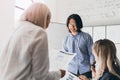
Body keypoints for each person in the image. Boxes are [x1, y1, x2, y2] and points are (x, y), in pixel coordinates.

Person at [0, 2, 65, 80]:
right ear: (42, 18)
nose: (48, 25)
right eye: (48, 20)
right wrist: (59, 73)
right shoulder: (39, 32)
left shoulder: (17, 29)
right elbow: (41, 77)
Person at [62, 14, 95, 78]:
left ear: (79, 25)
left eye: (75, 25)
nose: (72, 27)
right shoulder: (66, 39)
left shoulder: (86, 37)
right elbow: (64, 55)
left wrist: (92, 65)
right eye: (70, 25)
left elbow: (92, 53)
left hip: (85, 70)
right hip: (71, 70)